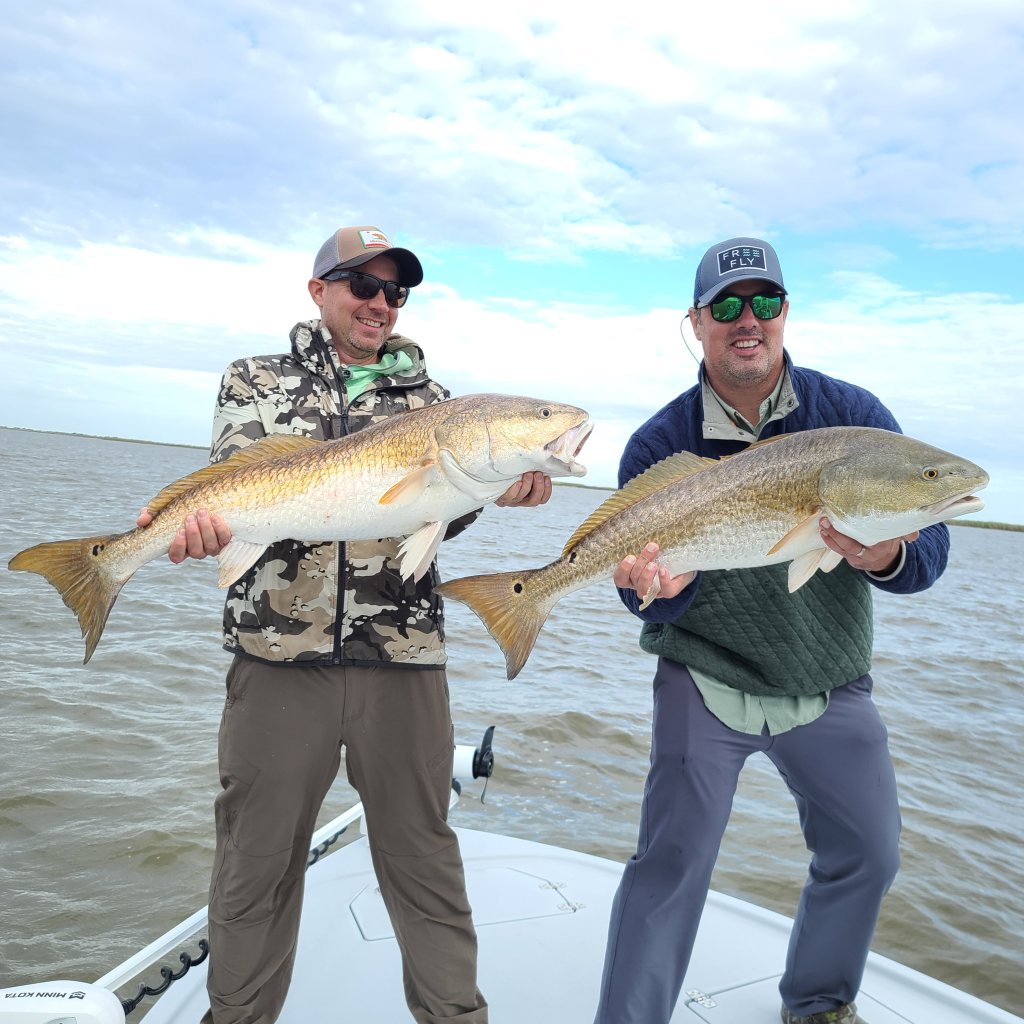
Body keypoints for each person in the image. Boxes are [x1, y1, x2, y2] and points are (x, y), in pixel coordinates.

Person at [141, 226, 551, 1024]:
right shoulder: (254, 378)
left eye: (396, 292)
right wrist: (201, 527)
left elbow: (430, 528)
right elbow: (237, 483)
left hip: (401, 658)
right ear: (319, 290)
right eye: (363, 285)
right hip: (275, 657)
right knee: (254, 863)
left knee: (424, 860)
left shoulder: (438, 407)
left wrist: (488, 490)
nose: (380, 304)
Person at [594, 237, 950, 1024]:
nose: (745, 319)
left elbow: (933, 554)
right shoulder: (659, 442)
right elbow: (640, 593)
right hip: (704, 673)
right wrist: (658, 593)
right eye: (725, 306)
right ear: (696, 323)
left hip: (828, 677)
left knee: (869, 851)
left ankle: (820, 1003)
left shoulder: (852, 418)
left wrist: (888, 551)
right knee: (671, 863)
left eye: (763, 302)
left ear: (786, 312)